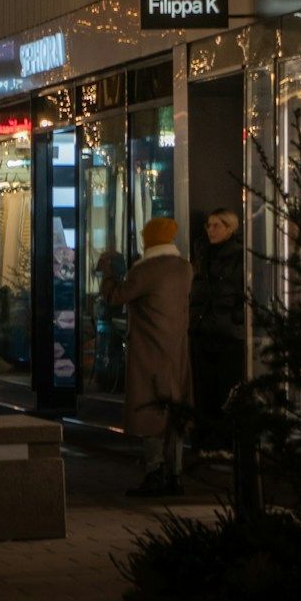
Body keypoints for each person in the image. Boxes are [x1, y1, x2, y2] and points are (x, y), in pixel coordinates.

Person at [101, 216, 193, 496]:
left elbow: (116, 296)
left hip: (150, 350)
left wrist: (107, 271)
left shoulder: (148, 269)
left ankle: (155, 472)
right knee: (174, 409)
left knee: (151, 409)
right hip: (176, 349)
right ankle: (175, 471)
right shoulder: (184, 268)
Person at [188, 208, 245, 458]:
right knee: (204, 389)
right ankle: (209, 440)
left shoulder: (238, 257)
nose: (211, 230)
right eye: (209, 225)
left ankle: (223, 440)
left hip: (226, 333)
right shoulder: (202, 255)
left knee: (225, 388)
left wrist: (236, 318)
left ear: (229, 228)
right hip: (203, 330)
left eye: (216, 225)